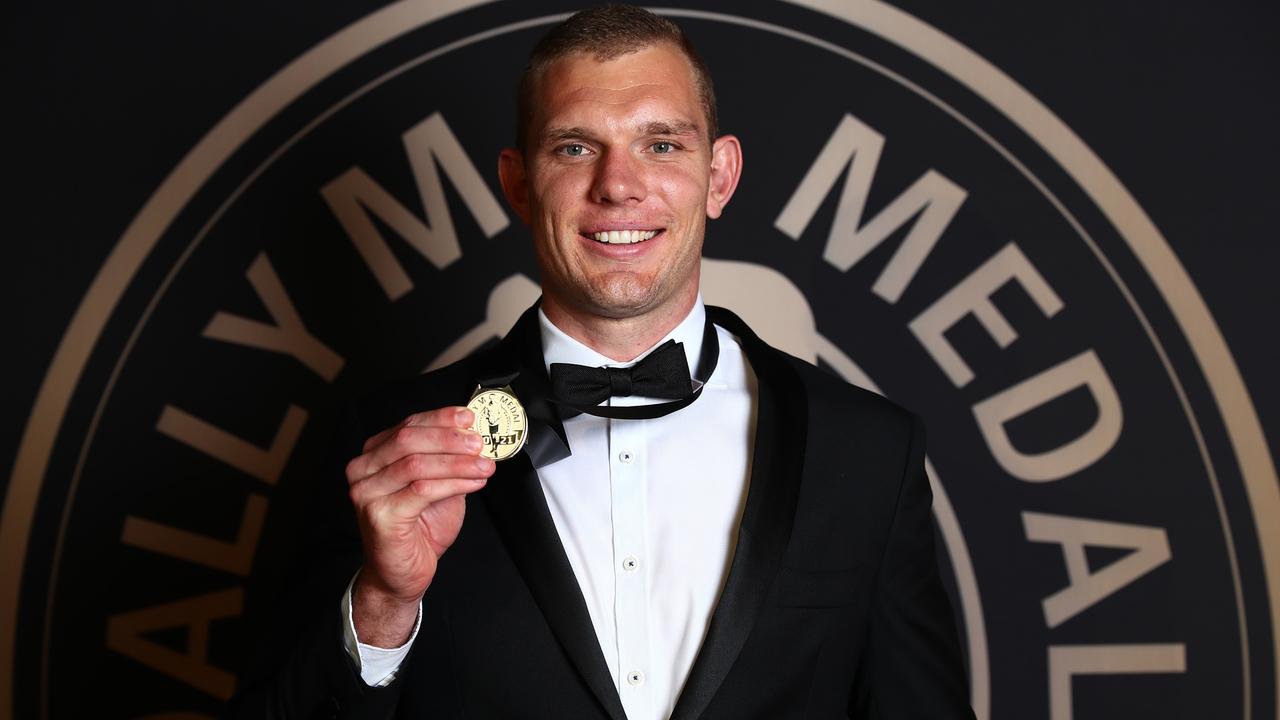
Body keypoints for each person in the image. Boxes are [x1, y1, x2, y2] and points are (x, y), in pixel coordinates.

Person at [230, 5, 975, 719]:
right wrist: (384, 604)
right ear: (519, 184)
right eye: (575, 147)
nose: (617, 185)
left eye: (661, 144)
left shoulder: (868, 451)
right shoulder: (380, 447)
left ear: (719, 176)